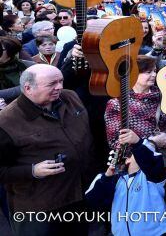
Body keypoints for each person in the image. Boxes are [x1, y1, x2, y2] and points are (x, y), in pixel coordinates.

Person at [0, 64, 95, 236]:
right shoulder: (6, 122)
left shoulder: (71, 98)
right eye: (52, 84)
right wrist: (32, 171)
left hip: (79, 196)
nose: (59, 87)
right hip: (39, 209)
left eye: (61, 81)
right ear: (28, 88)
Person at [84, 136, 166, 236]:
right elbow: (92, 200)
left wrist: (137, 143)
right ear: (127, 160)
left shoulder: (151, 177)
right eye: (135, 153)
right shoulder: (110, 179)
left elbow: (151, 161)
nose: (140, 154)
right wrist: (108, 176)